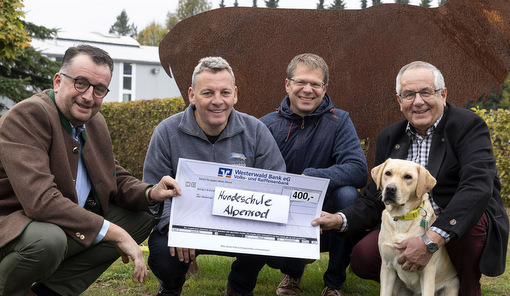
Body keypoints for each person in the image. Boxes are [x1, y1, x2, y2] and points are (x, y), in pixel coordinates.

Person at [312, 61, 509, 296]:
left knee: (470, 222)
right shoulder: (389, 136)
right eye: (409, 94)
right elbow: (375, 199)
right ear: (399, 100)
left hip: (455, 227)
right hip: (405, 224)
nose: (418, 101)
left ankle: (465, 286)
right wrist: (339, 219)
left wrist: (430, 240)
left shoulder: (468, 126)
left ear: (443, 94)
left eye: (426, 92)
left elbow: (477, 187)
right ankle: (413, 286)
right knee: (363, 257)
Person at [0, 44, 180, 296]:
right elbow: (40, 202)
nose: (88, 96)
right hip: (12, 226)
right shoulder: (29, 115)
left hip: (58, 224)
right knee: (48, 241)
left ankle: (47, 292)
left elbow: (111, 175)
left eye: (99, 89)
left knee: (142, 217)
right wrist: (115, 233)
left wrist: (150, 193)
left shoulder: (94, 121)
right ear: (58, 81)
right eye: (81, 83)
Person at [143, 56, 286, 296]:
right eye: (208, 93)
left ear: (235, 95)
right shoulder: (166, 132)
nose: (217, 101)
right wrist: (175, 227)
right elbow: (151, 189)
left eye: (225, 92)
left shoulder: (256, 131)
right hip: (187, 225)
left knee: (266, 241)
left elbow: (277, 183)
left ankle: (240, 286)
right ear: (191, 95)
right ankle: (170, 286)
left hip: (241, 224)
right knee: (161, 252)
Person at [259, 53, 368, 296]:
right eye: (300, 82)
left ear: (325, 88)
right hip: (280, 209)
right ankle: (293, 272)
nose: (307, 90)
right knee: (275, 259)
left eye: (315, 84)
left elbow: (358, 169)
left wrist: (310, 178)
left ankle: (334, 283)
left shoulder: (340, 121)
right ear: (287, 84)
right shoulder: (265, 125)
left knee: (348, 194)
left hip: (326, 214)